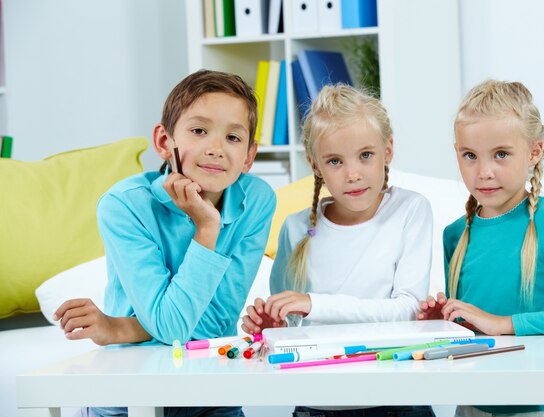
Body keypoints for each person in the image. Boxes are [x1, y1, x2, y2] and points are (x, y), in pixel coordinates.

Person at [54, 69, 276, 417]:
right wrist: (207, 228)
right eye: (199, 131)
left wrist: (118, 327)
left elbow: (216, 324)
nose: (216, 149)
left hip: (211, 390)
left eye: (233, 138)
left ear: (249, 155)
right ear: (163, 141)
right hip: (130, 394)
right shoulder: (124, 205)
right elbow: (174, 329)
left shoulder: (256, 200)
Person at [418, 80, 544, 417]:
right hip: (471, 402)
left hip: (535, 401)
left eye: (501, 154)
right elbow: (474, 333)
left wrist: (502, 323)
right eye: (470, 156)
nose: (484, 171)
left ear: (534, 152)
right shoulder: (455, 235)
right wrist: (445, 321)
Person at [242, 84, 435, 417]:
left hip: (397, 401)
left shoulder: (410, 210)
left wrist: (313, 304)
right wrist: (272, 329)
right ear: (315, 165)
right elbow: (293, 327)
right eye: (335, 161)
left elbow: (407, 309)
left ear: (387, 150)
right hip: (319, 404)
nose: (353, 174)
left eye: (366, 155)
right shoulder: (296, 228)